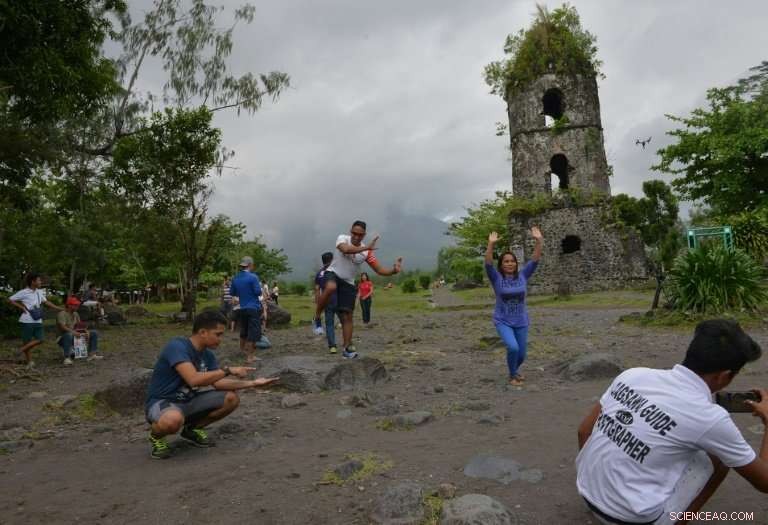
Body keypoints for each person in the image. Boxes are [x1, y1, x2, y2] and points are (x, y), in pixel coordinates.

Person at [576, 319, 768, 524]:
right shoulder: (710, 417)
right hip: (631, 520)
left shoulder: (633, 375)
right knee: (718, 455)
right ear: (725, 376)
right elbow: (765, 482)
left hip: (587, 494)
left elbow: (583, 431)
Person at [144, 310, 279, 459]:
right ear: (202, 332)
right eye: (218, 334)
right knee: (172, 421)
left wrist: (252, 383)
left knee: (231, 398)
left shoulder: (207, 355)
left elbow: (219, 383)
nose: (220, 339)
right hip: (163, 402)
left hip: (189, 401)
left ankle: (192, 429)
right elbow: (193, 379)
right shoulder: (177, 346)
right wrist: (228, 370)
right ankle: (156, 436)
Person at [312, 220, 402, 359]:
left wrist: (393, 271)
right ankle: (317, 317)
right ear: (350, 231)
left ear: (364, 235)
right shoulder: (342, 238)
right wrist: (366, 248)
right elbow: (346, 249)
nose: (356, 237)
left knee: (347, 316)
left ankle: (347, 349)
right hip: (334, 273)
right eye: (354, 233)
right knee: (330, 287)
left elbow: (379, 270)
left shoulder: (367, 253)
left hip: (348, 281)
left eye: (360, 235)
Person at [484, 227, 543, 386]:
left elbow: (535, 259)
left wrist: (539, 241)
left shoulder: (523, 275)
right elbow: (488, 263)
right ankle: (512, 376)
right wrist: (491, 244)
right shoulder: (496, 278)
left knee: (522, 355)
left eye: (512, 261)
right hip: (503, 320)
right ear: (502, 264)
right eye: (506, 261)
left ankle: (514, 371)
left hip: (521, 321)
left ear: (516, 264)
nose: (510, 264)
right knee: (513, 348)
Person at [8, 273, 64, 367]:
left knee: (41, 339)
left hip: (37, 319)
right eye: (39, 280)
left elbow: (46, 302)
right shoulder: (24, 292)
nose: (40, 282)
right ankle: (29, 362)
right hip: (27, 320)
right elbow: (10, 299)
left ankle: (21, 350)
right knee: (27, 341)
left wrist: (59, 308)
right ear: (33, 281)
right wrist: (21, 307)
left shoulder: (39, 292)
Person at [229, 256, 264, 362]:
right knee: (253, 331)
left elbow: (232, 293)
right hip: (253, 307)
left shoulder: (235, 278)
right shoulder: (253, 277)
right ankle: (250, 356)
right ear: (250, 265)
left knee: (244, 330)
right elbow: (258, 292)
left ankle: (242, 351)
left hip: (242, 307)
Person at [57, 296, 102, 365]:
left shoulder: (76, 314)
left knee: (94, 333)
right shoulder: (61, 314)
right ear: (69, 305)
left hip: (75, 335)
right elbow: (63, 327)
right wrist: (74, 332)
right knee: (68, 335)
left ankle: (92, 354)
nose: (77, 306)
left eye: (77, 305)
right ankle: (67, 358)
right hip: (63, 337)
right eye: (75, 305)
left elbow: (80, 326)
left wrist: (85, 331)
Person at [314, 251, 341, 354]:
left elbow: (317, 289)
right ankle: (348, 344)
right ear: (332, 260)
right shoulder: (336, 271)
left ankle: (332, 346)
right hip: (338, 300)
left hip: (326, 301)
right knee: (345, 322)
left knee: (329, 324)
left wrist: (318, 302)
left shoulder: (319, 274)